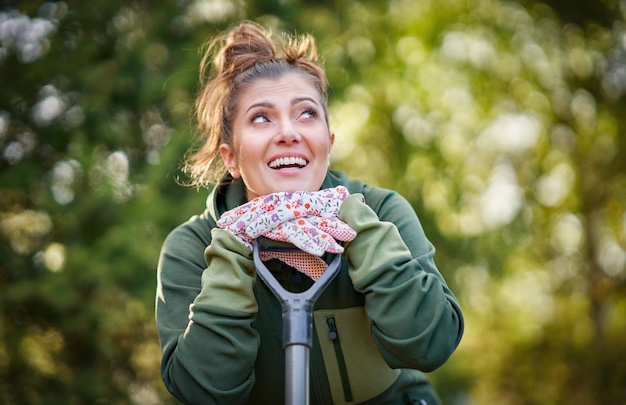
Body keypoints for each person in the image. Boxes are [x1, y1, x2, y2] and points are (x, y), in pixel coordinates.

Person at [155, 21, 464, 405]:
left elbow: (430, 344)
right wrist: (232, 255)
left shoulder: (380, 212)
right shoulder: (194, 246)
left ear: (328, 144)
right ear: (230, 157)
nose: (288, 132)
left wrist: (362, 231)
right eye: (261, 118)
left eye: (306, 114)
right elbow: (203, 391)